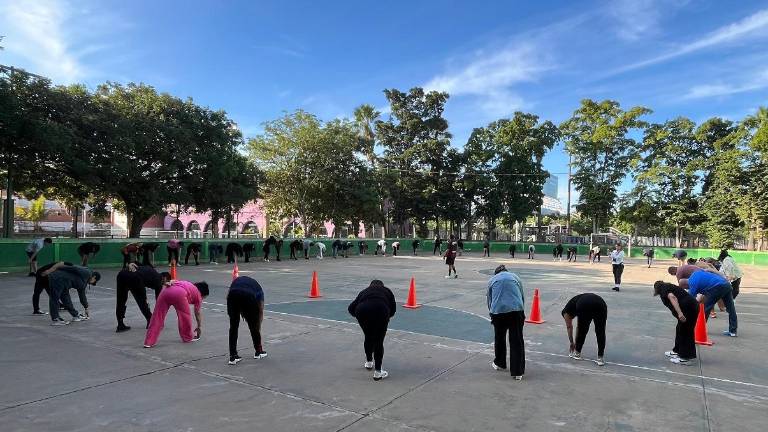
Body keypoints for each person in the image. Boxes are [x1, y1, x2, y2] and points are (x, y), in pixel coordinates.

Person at [348, 280, 396, 381]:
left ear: (370, 285)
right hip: (381, 310)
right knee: (379, 341)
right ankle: (378, 372)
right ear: (382, 285)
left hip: (362, 310)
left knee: (368, 337)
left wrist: (359, 316)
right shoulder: (387, 291)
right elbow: (393, 310)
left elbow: (351, 308)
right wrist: (385, 317)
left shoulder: (364, 291)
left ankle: (369, 362)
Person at [487, 265, 526, 379]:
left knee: (499, 337)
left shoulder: (492, 280)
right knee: (516, 340)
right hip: (516, 311)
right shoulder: (515, 277)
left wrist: (492, 313)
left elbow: (489, 300)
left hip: (498, 312)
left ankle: (500, 363)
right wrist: (521, 312)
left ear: (496, 273)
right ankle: (517, 372)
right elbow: (522, 296)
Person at [143, 280, 209, 347]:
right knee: (185, 317)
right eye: (204, 298)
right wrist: (199, 326)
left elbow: (172, 281)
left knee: (157, 316)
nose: (202, 299)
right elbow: (197, 313)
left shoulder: (187, 284)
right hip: (180, 294)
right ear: (202, 294)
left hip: (165, 291)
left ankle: (149, 342)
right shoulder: (198, 296)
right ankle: (188, 337)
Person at [678, 269, 738, 337]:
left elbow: (691, 301)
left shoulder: (692, 284)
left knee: (706, 308)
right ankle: (733, 331)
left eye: (685, 288)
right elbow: (708, 273)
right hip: (726, 284)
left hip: (717, 287)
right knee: (731, 309)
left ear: (685, 286)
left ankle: (700, 330)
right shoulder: (695, 273)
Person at [653, 281, 699, 365]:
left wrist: (680, 313)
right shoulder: (668, 286)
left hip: (688, 309)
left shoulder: (664, 289)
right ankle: (677, 350)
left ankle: (685, 357)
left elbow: (672, 297)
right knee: (680, 329)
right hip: (690, 306)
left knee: (686, 331)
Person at [115, 263, 170, 332]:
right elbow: (158, 301)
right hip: (135, 278)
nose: (164, 284)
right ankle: (150, 321)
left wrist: (130, 264)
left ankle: (120, 324)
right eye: (166, 282)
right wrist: (159, 318)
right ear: (164, 278)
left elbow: (136, 263)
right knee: (142, 302)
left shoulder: (150, 269)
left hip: (122, 274)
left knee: (121, 301)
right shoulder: (159, 280)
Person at [227, 276, 267, 365]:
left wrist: (236, 312)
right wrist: (257, 324)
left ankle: (232, 356)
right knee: (253, 326)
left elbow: (228, 296)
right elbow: (260, 310)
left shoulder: (236, 283)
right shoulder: (259, 291)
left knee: (233, 326)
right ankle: (258, 352)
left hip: (232, 295)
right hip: (248, 296)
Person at [561, 293, 607, 366]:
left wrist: (572, 342)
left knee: (583, 328)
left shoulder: (565, 312)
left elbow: (569, 327)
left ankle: (577, 353)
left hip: (584, 304)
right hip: (600, 302)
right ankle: (600, 358)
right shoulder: (573, 303)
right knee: (600, 330)